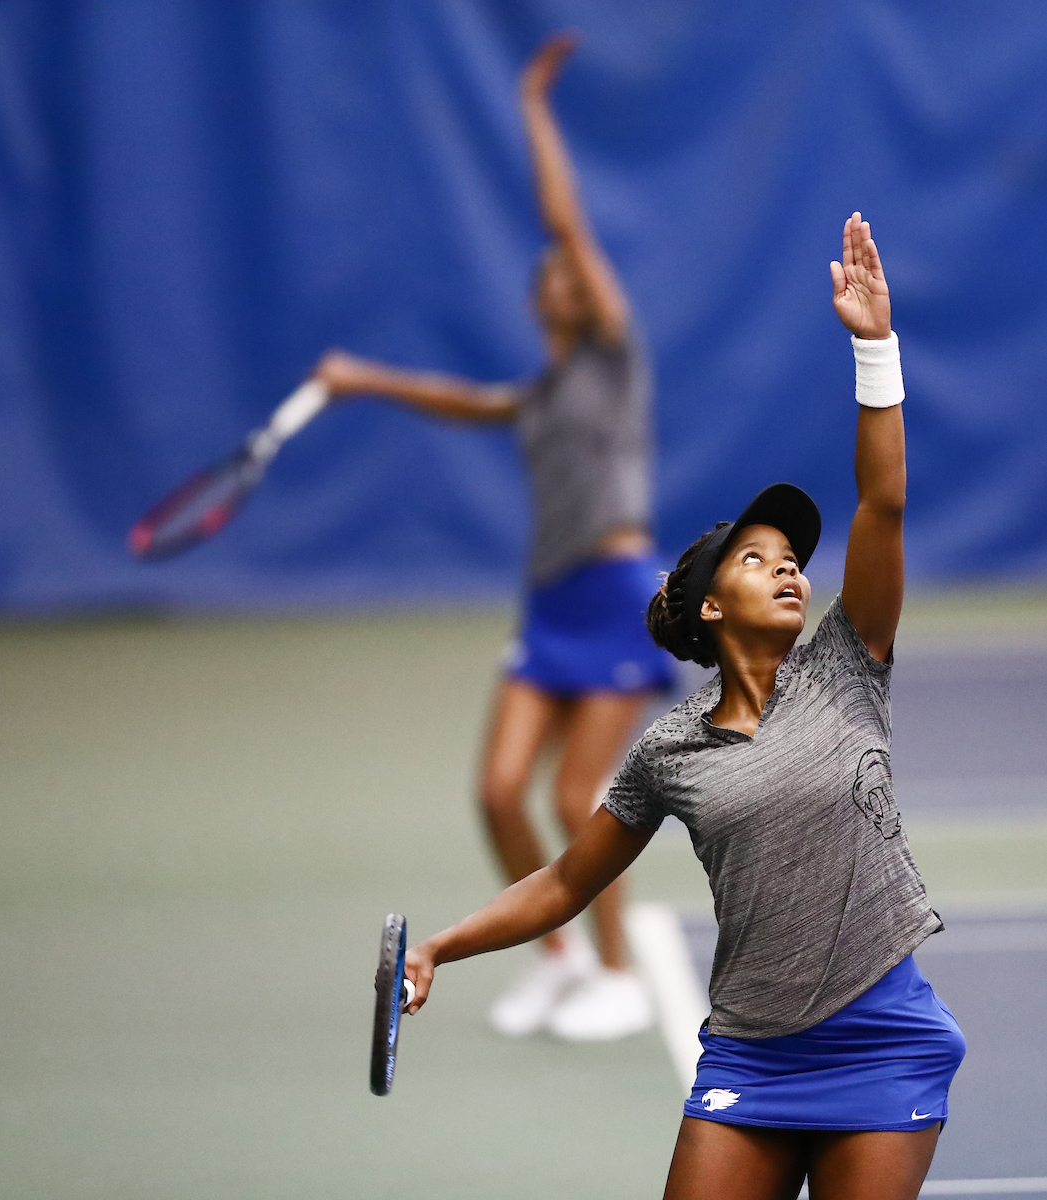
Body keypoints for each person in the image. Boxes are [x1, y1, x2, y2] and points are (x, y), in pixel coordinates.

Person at [401, 213, 966, 1199]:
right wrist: (445, 946)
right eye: (758, 559)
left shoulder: (848, 663)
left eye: (791, 561)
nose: (788, 570)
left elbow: (882, 503)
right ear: (711, 606)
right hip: (750, 1053)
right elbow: (564, 881)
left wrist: (874, 348)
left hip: (882, 1038)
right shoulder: (668, 750)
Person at [318, 34, 671, 1041]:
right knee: (496, 790)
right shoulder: (537, 396)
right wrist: (363, 379)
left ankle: (619, 976)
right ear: (536, 300)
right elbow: (459, 398)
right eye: (552, 271)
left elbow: (565, 220)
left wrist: (532, 110)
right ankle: (559, 959)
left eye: (576, 268)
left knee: (576, 796)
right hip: (550, 603)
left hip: (616, 595)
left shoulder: (614, 358)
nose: (567, 271)